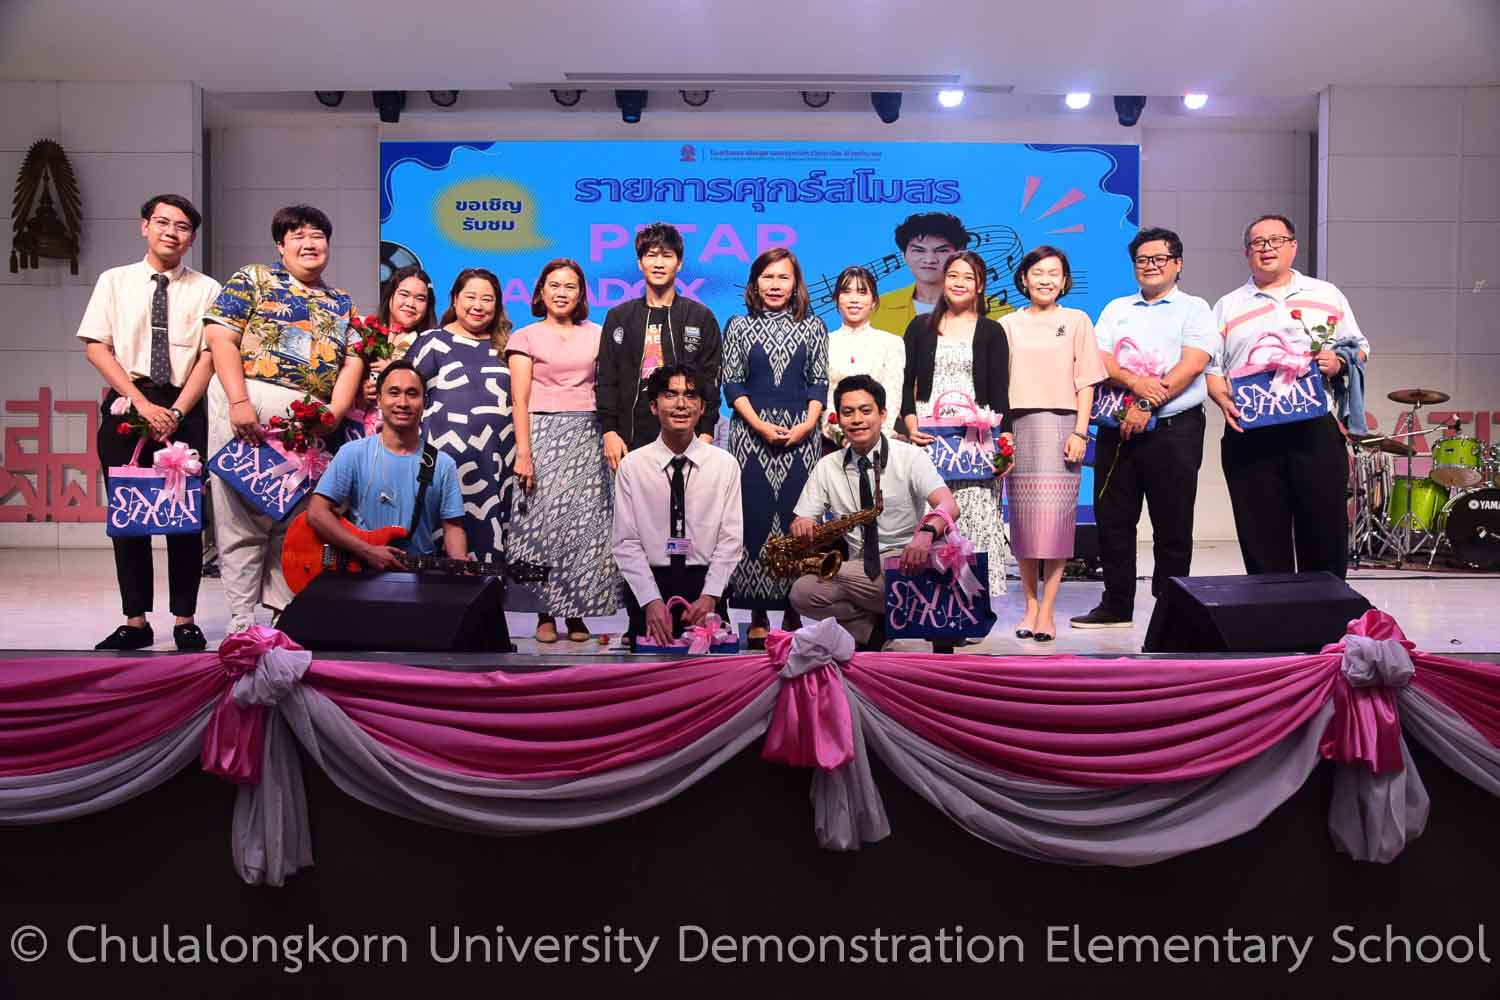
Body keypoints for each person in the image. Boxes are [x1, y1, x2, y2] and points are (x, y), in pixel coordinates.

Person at [205, 204, 363, 634]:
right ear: (280, 245)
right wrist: (238, 401)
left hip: (308, 418)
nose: (310, 243)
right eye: (298, 236)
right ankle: (241, 617)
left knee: (292, 517)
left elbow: (353, 360)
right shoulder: (254, 278)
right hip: (249, 404)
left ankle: (282, 610)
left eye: (318, 236)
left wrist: (334, 412)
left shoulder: (340, 301)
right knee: (239, 513)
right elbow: (221, 337)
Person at [79, 193, 221, 650]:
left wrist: (177, 411)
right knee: (130, 518)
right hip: (128, 404)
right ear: (145, 226)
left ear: (191, 238)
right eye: (162, 222)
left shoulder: (207, 289)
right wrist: (140, 402)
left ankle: (185, 619)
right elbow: (97, 347)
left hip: (185, 408)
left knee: (186, 520)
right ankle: (135, 621)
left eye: (182, 226)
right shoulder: (114, 281)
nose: (170, 232)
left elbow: (209, 356)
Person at [1207, 214, 1368, 578]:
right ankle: (1271, 610)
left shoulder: (1325, 294)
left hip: (1313, 429)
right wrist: (1220, 397)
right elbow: (1210, 365)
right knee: (1261, 538)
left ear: (1293, 247)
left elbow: (1360, 348)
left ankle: (1325, 609)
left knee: (1324, 532)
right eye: (1258, 243)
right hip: (1251, 431)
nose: (1267, 248)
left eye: (1276, 240)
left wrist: (1339, 362)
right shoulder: (1228, 305)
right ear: (1246, 253)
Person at [1070, 228, 1216, 629]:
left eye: (1159, 259)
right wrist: (1136, 386)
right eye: (1142, 260)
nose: (1150, 266)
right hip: (1118, 429)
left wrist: (1148, 404)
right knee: (1113, 519)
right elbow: (1099, 357)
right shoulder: (1117, 308)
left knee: (1173, 523)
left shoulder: (1195, 309)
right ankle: (1116, 605)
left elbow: (1193, 363)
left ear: (1178, 263)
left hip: (1175, 429)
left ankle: (1171, 610)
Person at [791, 375, 959, 650]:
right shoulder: (827, 466)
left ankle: (898, 619)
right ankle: (874, 632)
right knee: (803, 593)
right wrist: (803, 522)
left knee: (836, 576)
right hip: (859, 569)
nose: (857, 420)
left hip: (907, 562)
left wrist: (926, 533)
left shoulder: (910, 457)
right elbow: (804, 516)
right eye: (848, 412)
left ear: (882, 415)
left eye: (865, 411)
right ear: (838, 420)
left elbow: (949, 505)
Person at [506, 258, 620, 643]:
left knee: (583, 526)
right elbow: (519, 400)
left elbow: (608, 388)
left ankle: (576, 613)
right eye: (554, 285)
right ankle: (543, 614)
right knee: (542, 525)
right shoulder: (525, 337)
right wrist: (524, 453)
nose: (561, 293)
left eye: (570, 286)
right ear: (541, 291)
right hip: (541, 433)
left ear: (581, 294)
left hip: (587, 433)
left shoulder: (599, 334)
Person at [1000, 245, 1108, 642]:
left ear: (1064, 281)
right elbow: (999, 383)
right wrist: (1003, 434)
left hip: (1063, 425)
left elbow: (1087, 380)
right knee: (1024, 524)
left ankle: (1048, 609)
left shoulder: (1076, 320)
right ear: (1024, 278)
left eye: (1053, 273)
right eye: (1038, 272)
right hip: (1019, 426)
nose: (1045, 280)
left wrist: (1080, 432)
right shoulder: (1008, 324)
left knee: (1057, 525)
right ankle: (1029, 605)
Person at [723, 248, 829, 640]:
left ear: (795, 283)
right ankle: (757, 614)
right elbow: (732, 384)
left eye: (783, 277)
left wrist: (808, 425)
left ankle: (792, 612)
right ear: (755, 283)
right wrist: (760, 426)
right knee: (754, 520)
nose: (775, 285)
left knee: (795, 522)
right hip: (751, 437)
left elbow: (819, 382)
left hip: (802, 436)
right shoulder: (738, 326)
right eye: (767, 277)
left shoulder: (813, 326)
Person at [899, 250, 1011, 594]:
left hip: (977, 439)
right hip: (929, 437)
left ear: (980, 286)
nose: (959, 283)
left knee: (976, 519)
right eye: (953, 276)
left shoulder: (992, 331)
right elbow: (905, 383)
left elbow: (1000, 392)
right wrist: (910, 424)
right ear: (943, 281)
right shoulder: (920, 327)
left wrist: (1006, 442)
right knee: (929, 516)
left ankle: (974, 604)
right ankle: (930, 602)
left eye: (968, 277)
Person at [613, 364, 744, 649]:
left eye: (691, 395)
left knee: (709, 668)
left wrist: (710, 596)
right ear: (653, 406)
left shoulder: (725, 466)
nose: (681, 404)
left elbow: (731, 539)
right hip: (650, 588)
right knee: (648, 669)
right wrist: (650, 600)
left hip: (706, 589)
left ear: (702, 408)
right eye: (670, 395)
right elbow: (626, 542)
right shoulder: (632, 466)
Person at [308, 360, 467, 563]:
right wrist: (365, 550)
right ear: (379, 400)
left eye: (412, 394)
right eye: (394, 393)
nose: (403, 402)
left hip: (419, 576)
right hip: (363, 574)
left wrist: (461, 563)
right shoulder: (352, 453)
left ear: (425, 402)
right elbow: (317, 513)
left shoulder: (443, 464)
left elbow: (453, 527)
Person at [406, 268, 515, 565]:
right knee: (440, 546)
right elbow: (403, 392)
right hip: (444, 462)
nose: (478, 305)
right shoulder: (432, 341)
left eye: (487, 299)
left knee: (490, 544)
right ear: (455, 299)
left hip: (496, 463)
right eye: (470, 297)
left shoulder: (508, 346)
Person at [596, 222, 723, 466]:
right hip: (630, 437)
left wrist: (706, 434)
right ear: (640, 263)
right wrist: (609, 431)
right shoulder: (619, 317)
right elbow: (607, 378)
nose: (658, 263)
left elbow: (711, 380)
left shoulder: (700, 317)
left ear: (679, 263)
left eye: (667, 256)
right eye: (651, 255)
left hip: (688, 438)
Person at [869, 212, 1012, 335]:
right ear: (903, 255)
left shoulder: (999, 311)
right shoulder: (877, 308)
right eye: (919, 250)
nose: (929, 260)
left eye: (942, 250)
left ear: (960, 254)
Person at [823, 265, 904, 444]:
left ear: (874, 301)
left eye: (862, 292)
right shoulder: (823, 343)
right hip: (832, 442)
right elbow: (823, 400)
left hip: (880, 443)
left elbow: (892, 398)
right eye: (846, 292)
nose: (854, 300)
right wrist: (840, 436)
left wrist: (875, 441)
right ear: (836, 299)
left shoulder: (891, 343)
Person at [360, 264, 436, 407]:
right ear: (390, 295)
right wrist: (358, 389)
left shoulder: (431, 344)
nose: (411, 304)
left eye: (420, 298)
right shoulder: (365, 332)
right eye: (404, 294)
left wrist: (395, 371)